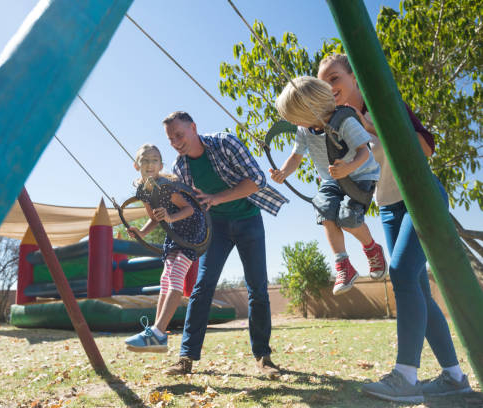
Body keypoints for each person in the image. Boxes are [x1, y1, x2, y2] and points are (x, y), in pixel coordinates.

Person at [318, 53, 472, 403]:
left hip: (421, 196)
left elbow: (425, 148)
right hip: (389, 209)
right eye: (323, 83)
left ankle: (405, 376)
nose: (330, 87)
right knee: (415, 287)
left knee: (402, 273)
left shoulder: (383, 105)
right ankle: (454, 377)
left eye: (334, 78)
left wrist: (372, 126)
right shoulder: (337, 126)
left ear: (354, 77)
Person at [162, 111, 287, 376]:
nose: (176, 141)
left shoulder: (225, 143)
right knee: (202, 286)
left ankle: (263, 357)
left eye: (179, 135)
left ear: (194, 127)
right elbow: (190, 206)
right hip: (215, 229)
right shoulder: (180, 167)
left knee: (257, 288)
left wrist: (217, 198)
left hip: (248, 220)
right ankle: (186, 357)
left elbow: (258, 180)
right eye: (171, 138)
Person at [271, 76, 387, 296]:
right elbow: (296, 157)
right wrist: (283, 172)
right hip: (331, 179)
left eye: (296, 117)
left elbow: (364, 152)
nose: (295, 123)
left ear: (309, 111)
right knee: (325, 213)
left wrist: (347, 168)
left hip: (361, 174)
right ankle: (343, 264)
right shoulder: (304, 130)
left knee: (349, 219)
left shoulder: (344, 122)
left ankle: (372, 249)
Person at [124, 144, 206, 353]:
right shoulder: (143, 190)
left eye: (154, 160)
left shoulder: (164, 186)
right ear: (136, 165)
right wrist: (141, 233)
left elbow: (189, 209)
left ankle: (159, 332)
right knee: (165, 279)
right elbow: (154, 218)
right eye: (145, 160)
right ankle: (155, 332)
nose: (150, 164)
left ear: (161, 165)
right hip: (174, 234)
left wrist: (170, 217)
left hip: (191, 233)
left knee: (177, 274)